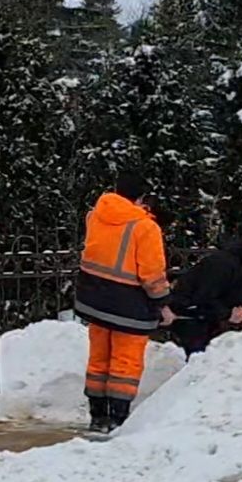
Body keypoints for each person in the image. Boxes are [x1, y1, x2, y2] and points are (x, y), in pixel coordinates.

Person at [74, 170, 172, 433]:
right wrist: (163, 302)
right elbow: (151, 273)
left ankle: (97, 416)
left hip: (93, 298)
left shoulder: (96, 215)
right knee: (125, 362)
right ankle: (118, 417)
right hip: (129, 304)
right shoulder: (145, 227)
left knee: (98, 358)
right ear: (141, 198)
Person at [167, 232, 242, 355]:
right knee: (200, 356)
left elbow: (233, 294)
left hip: (207, 314)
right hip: (191, 315)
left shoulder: (240, 266)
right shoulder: (224, 266)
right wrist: (228, 314)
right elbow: (204, 298)